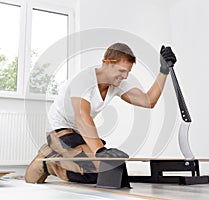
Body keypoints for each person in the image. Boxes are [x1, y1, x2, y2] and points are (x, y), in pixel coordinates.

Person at [25, 43, 177, 184]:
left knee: (106, 170)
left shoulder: (116, 84)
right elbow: (81, 117)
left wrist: (164, 71)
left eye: (128, 72)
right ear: (107, 63)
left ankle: (61, 159)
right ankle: (47, 163)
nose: (125, 76)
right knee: (91, 170)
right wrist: (100, 151)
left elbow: (148, 101)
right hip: (58, 130)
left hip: (79, 134)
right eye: (121, 71)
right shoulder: (84, 80)